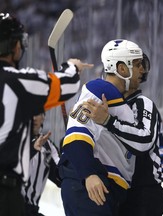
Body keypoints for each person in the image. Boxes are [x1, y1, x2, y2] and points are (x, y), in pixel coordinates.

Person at [0, 13, 92, 216]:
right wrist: (72, 67)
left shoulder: (47, 148)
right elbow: (66, 86)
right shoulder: (17, 82)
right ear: (15, 46)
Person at [58, 39, 154, 216]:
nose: (142, 70)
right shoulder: (100, 90)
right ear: (122, 69)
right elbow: (75, 137)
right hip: (95, 188)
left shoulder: (116, 100)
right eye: (137, 64)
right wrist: (89, 174)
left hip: (107, 190)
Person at [81, 53, 163, 216]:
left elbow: (145, 139)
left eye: (140, 66)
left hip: (144, 193)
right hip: (118, 187)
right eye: (136, 65)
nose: (140, 70)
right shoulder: (104, 103)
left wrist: (108, 121)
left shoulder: (143, 103)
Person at [22, 113, 61, 216]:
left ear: (43, 117)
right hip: (9, 205)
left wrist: (70, 152)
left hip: (31, 209)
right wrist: (32, 149)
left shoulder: (48, 146)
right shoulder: (12, 140)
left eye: (37, 114)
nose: (34, 117)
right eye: (31, 112)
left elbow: (61, 178)